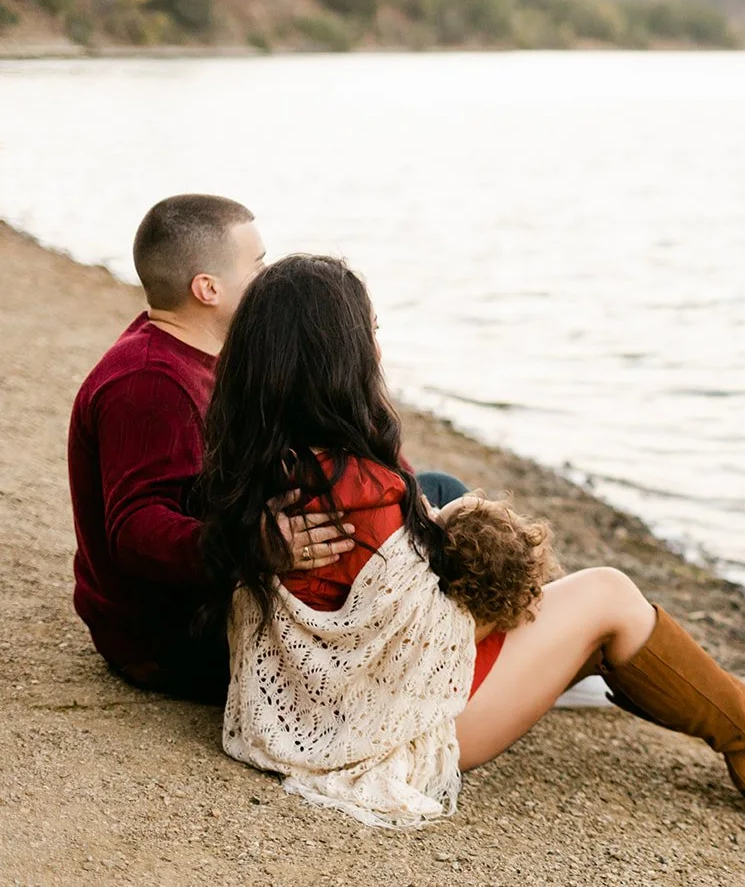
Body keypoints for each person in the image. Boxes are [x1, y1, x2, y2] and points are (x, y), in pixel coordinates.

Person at [198, 255, 745, 826]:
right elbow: (424, 635)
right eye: (370, 331)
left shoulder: (257, 461)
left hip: (331, 704)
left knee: (594, 616)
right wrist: (502, 579)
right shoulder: (359, 485)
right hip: (398, 725)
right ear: (341, 356)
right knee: (608, 595)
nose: (379, 345)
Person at [67, 194, 466, 703]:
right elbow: (135, 531)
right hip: (172, 642)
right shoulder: (149, 382)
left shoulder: (213, 354)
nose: (266, 276)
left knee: (432, 493)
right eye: (256, 265)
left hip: (224, 600)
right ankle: (511, 649)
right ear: (207, 288)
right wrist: (255, 544)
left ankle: (504, 631)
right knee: (433, 504)